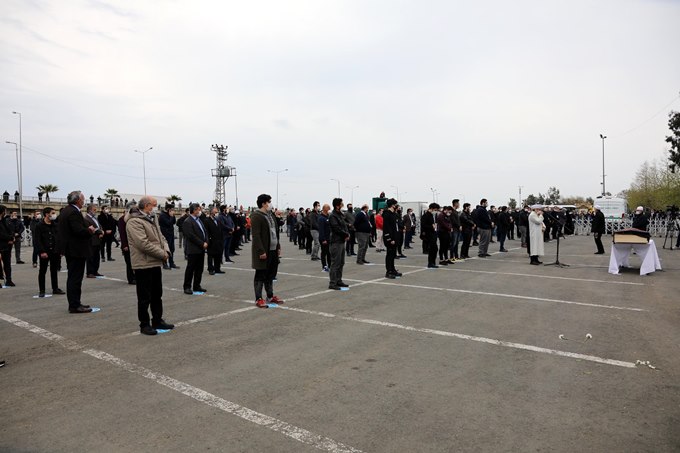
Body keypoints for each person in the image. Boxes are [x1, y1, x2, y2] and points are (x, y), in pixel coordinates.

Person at [126, 196, 174, 335]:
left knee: (157, 294)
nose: (155, 207)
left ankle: (157, 320)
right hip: (143, 263)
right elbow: (143, 244)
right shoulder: (134, 221)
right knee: (144, 296)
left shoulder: (152, 218)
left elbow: (161, 236)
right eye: (153, 205)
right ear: (146, 205)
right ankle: (144, 324)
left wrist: (166, 249)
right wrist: (162, 254)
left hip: (154, 262)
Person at [58, 191, 96, 313]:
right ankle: (74, 305)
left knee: (74, 277)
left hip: (72, 249)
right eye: (83, 199)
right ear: (78, 200)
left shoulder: (66, 210)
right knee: (75, 278)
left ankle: (76, 302)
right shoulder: (73, 212)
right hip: (76, 250)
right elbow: (77, 230)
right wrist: (89, 230)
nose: (84, 201)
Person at [251, 194, 283, 307]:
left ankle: (270, 296)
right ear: (264, 203)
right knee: (260, 274)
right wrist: (261, 251)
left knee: (270, 275)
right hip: (264, 251)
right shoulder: (256, 216)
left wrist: (278, 247)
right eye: (269, 201)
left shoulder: (271, 215)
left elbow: (275, 233)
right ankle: (258, 298)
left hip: (273, 250)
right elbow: (256, 235)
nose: (270, 204)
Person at [34, 207, 65, 297]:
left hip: (55, 251)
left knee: (54, 270)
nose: (54, 215)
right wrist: (42, 251)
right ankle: (42, 290)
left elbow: (59, 238)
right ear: (47, 214)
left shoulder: (55, 225)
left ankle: (55, 288)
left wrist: (60, 250)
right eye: (53, 213)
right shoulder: (39, 225)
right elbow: (37, 240)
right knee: (42, 271)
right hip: (45, 252)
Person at [182, 203, 208, 294]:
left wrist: (206, 241)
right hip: (193, 249)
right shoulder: (187, 221)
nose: (199, 211)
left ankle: (197, 285)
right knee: (190, 268)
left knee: (199, 269)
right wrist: (202, 243)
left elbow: (204, 231)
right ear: (193, 210)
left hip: (201, 249)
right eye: (198, 209)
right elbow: (191, 236)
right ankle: (187, 286)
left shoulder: (199, 220)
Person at [328, 198, 350, 290]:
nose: (343, 205)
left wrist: (347, 233)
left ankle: (338, 280)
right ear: (337, 205)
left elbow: (344, 225)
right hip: (336, 242)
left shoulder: (340, 214)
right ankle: (332, 283)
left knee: (341, 263)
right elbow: (336, 228)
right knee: (335, 263)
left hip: (341, 241)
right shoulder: (333, 216)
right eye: (341, 204)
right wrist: (345, 234)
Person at [382, 198, 402, 278]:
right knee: (389, 255)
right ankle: (388, 271)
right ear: (392, 205)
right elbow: (386, 228)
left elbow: (396, 226)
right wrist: (390, 239)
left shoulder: (394, 214)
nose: (396, 206)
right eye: (395, 204)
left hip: (395, 236)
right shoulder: (387, 214)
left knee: (393, 254)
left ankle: (393, 269)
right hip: (390, 238)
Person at [84, 204, 104, 278]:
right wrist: (100, 232)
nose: (95, 211)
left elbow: (99, 226)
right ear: (90, 210)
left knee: (96, 257)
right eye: (94, 210)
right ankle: (90, 272)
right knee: (90, 257)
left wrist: (101, 230)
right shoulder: (86, 219)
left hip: (98, 240)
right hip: (91, 240)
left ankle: (95, 271)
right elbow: (90, 229)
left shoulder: (95, 218)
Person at [119, 202, 137, 285]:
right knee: (129, 263)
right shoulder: (122, 219)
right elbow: (122, 233)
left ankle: (135, 277)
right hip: (127, 245)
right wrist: (125, 245)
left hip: (135, 245)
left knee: (135, 262)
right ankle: (131, 278)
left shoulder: (133, 219)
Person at [203, 207, 224, 275]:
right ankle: (210, 269)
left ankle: (217, 268)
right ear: (211, 212)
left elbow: (220, 229)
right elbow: (206, 232)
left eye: (217, 212)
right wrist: (208, 240)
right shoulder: (207, 220)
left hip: (218, 240)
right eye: (215, 212)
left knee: (218, 255)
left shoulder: (217, 220)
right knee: (211, 256)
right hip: (211, 241)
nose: (216, 213)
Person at [159, 204, 179, 270]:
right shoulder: (162, 215)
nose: (173, 211)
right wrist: (171, 216)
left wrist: (172, 216)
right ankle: (165, 263)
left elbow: (174, 222)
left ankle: (171, 263)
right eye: (172, 209)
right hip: (165, 235)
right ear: (168, 209)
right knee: (165, 249)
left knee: (171, 249)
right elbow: (168, 223)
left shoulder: (170, 215)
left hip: (171, 234)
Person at [0, 205, 16, 286]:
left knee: (7, 264)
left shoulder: (5, 221)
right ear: (2, 212)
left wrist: (12, 237)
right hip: (1, 245)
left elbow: (10, 230)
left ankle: (9, 280)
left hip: (6, 246)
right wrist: (9, 238)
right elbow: (1, 234)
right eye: (4, 211)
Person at [421, 203, 440, 268]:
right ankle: (430, 263)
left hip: (433, 233)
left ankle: (433, 262)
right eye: (435, 209)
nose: (436, 211)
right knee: (432, 249)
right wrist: (431, 226)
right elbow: (423, 225)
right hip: (429, 234)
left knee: (435, 249)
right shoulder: (425, 215)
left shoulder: (432, 215)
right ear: (432, 208)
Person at [318, 203, 331, 272]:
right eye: (328, 209)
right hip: (324, 238)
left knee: (329, 253)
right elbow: (321, 230)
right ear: (324, 209)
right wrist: (323, 239)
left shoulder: (328, 217)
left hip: (329, 238)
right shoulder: (321, 218)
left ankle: (330, 265)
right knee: (324, 253)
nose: (328, 210)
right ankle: (324, 266)